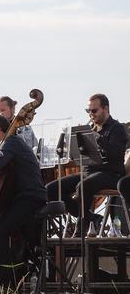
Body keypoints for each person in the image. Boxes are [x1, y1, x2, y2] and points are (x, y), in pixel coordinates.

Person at [0, 114, 47, 290]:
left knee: (0, 233)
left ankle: (6, 281)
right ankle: (5, 276)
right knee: (1, 229)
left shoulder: (11, 142)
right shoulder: (12, 143)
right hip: (25, 196)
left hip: (30, 197)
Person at [46, 94, 128, 236]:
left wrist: (96, 138)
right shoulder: (91, 128)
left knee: (83, 186)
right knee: (51, 189)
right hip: (89, 172)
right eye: (88, 111)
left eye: (94, 111)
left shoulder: (117, 128)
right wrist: (73, 145)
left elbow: (115, 154)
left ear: (106, 109)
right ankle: (91, 217)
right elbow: (80, 156)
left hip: (111, 173)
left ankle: (81, 229)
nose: (91, 114)